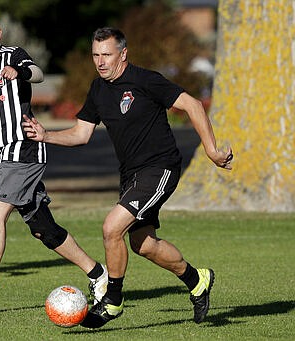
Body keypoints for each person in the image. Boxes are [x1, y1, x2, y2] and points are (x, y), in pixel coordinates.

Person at [23, 27, 233, 328]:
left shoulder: (146, 80)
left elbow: (193, 104)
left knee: (112, 228)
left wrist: (212, 151)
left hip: (160, 168)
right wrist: (45, 135)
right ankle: (197, 279)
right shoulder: (98, 89)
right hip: (131, 174)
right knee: (144, 245)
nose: (100, 61)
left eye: (106, 54)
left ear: (123, 54)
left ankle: (113, 300)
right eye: (95, 55)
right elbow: (81, 134)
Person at [0, 10, 107, 312]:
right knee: (44, 229)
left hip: (23, 150)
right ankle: (99, 274)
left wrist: (20, 72)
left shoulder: (12, 55)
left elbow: (38, 73)